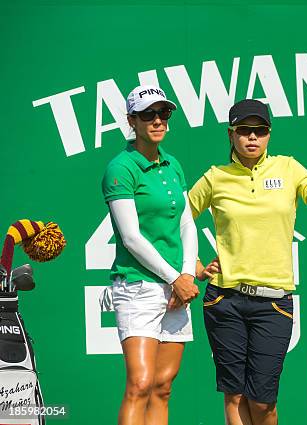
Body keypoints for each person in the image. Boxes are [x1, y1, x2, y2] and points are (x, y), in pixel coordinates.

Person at [188, 99, 307, 425]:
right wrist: (193, 265)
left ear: (269, 134)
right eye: (244, 130)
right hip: (224, 299)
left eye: (259, 131)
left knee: (263, 403)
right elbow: (178, 222)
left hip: (272, 304)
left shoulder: (288, 168)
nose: (252, 137)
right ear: (231, 134)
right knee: (234, 396)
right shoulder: (215, 178)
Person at [101, 85, 200, 425]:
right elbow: (131, 237)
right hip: (138, 287)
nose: (158, 121)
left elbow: (187, 225)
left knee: (162, 386)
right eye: (148, 115)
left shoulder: (173, 165)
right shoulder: (121, 167)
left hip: (177, 290)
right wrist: (175, 278)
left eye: (163, 113)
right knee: (140, 384)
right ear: (132, 121)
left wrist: (185, 275)